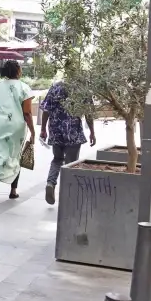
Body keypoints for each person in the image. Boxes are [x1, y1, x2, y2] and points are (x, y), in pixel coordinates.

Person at [39, 78, 96, 206]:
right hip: (73, 132)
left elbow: (46, 110)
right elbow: (88, 113)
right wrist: (92, 131)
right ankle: (68, 195)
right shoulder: (83, 89)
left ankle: (50, 183)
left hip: (56, 130)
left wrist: (43, 129)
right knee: (71, 164)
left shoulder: (55, 87)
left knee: (57, 159)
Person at [0, 60, 35, 202]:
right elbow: (27, 113)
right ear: (17, 71)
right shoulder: (24, 88)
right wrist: (32, 131)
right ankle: (13, 190)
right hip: (16, 127)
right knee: (15, 156)